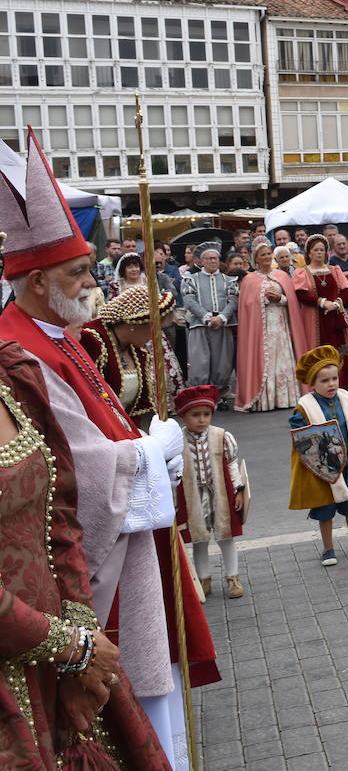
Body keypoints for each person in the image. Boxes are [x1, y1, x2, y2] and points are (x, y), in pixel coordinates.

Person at [0, 153, 218, 767]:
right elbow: (78, 470)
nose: (92, 281)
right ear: (38, 281)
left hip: (97, 562)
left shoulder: (60, 335)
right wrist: (151, 454)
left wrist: (148, 446)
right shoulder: (22, 351)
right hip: (70, 584)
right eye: (76, 273)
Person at [0, 340, 174, 771]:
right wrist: (72, 648)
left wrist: (80, 638)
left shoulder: (12, 371)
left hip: (58, 661)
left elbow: (59, 507)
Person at [289, 346, 348, 567]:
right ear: (312, 383)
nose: (332, 384)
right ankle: (328, 548)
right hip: (324, 469)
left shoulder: (347, 400)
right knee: (326, 509)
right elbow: (302, 440)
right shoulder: (305, 408)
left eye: (334, 378)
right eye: (325, 381)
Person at [174, 385, 247, 600]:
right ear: (183, 416)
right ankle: (203, 578)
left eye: (206, 414)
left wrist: (239, 490)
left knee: (226, 536)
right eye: (195, 415)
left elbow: (232, 465)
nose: (201, 419)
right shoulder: (177, 440)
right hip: (193, 497)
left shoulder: (222, 437)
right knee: (199, 539)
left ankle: (233, 577)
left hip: (222, 495)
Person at [78, 285, 184, 431]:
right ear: (135, 323)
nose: (156, 335)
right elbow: (91, 401)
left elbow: (140, 407)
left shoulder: (138, 351)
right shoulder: (92, 341)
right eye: (154, 328)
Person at [293, 235, 348, 394]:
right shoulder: (303, 272)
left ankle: (346, 384)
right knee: (319, 349)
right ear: (309, 252)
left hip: (335, 317)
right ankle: (320, 385)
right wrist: (322, 302)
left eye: (322, 250)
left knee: (341, 349)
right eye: (316, 250)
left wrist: (336, 303)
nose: (319, 253)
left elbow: (346, 289)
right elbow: (301, 294)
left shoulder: (334, 269)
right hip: (316, 318)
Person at [235, 243, 306, 412]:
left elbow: (293, 302)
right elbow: (247, 306)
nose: (267, 257)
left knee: (283, 357)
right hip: (261, 328)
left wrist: (279, 299)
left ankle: (286, 397)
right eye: (263, 255)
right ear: (256, 259)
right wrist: (264, 299)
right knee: (264, 358)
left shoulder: (282, 275)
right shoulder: (249, 280)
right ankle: (264, 398)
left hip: (281, 325)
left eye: (268, 254)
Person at [181, 244, 238, 404]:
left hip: (223, 324)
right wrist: (206, 317)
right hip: (199, 324)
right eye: (209, 258)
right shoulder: (191, 279)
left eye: (215, 258)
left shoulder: (229, 280)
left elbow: (233, 301)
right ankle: (201, 394)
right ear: (202, 261)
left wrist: (222, 317)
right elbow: (189, 300)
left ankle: (220, 393)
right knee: (200, 361)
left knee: (223, 361)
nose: (212, 261)